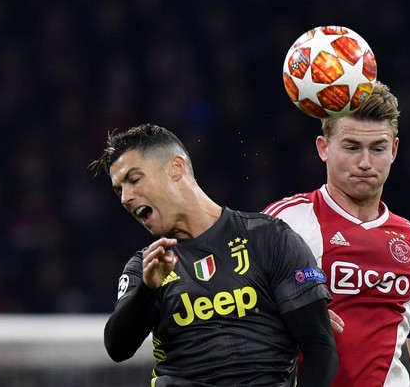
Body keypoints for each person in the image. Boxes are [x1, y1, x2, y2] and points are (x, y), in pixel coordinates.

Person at [90, 123, 338, 386]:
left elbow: (319, 346)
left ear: (176, 167)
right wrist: (149, 289)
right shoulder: (145, 266)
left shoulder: (269, 239)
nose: (125, 198)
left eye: (134, 179)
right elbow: (118, 348)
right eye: (119, 190)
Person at [263, 82, 410, 386]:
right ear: (323, 148)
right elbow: (231, 312)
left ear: (394, 150)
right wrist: (285, 316)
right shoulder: (284, 223)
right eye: (352, 147)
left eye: (377, 148)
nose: (365, 163)